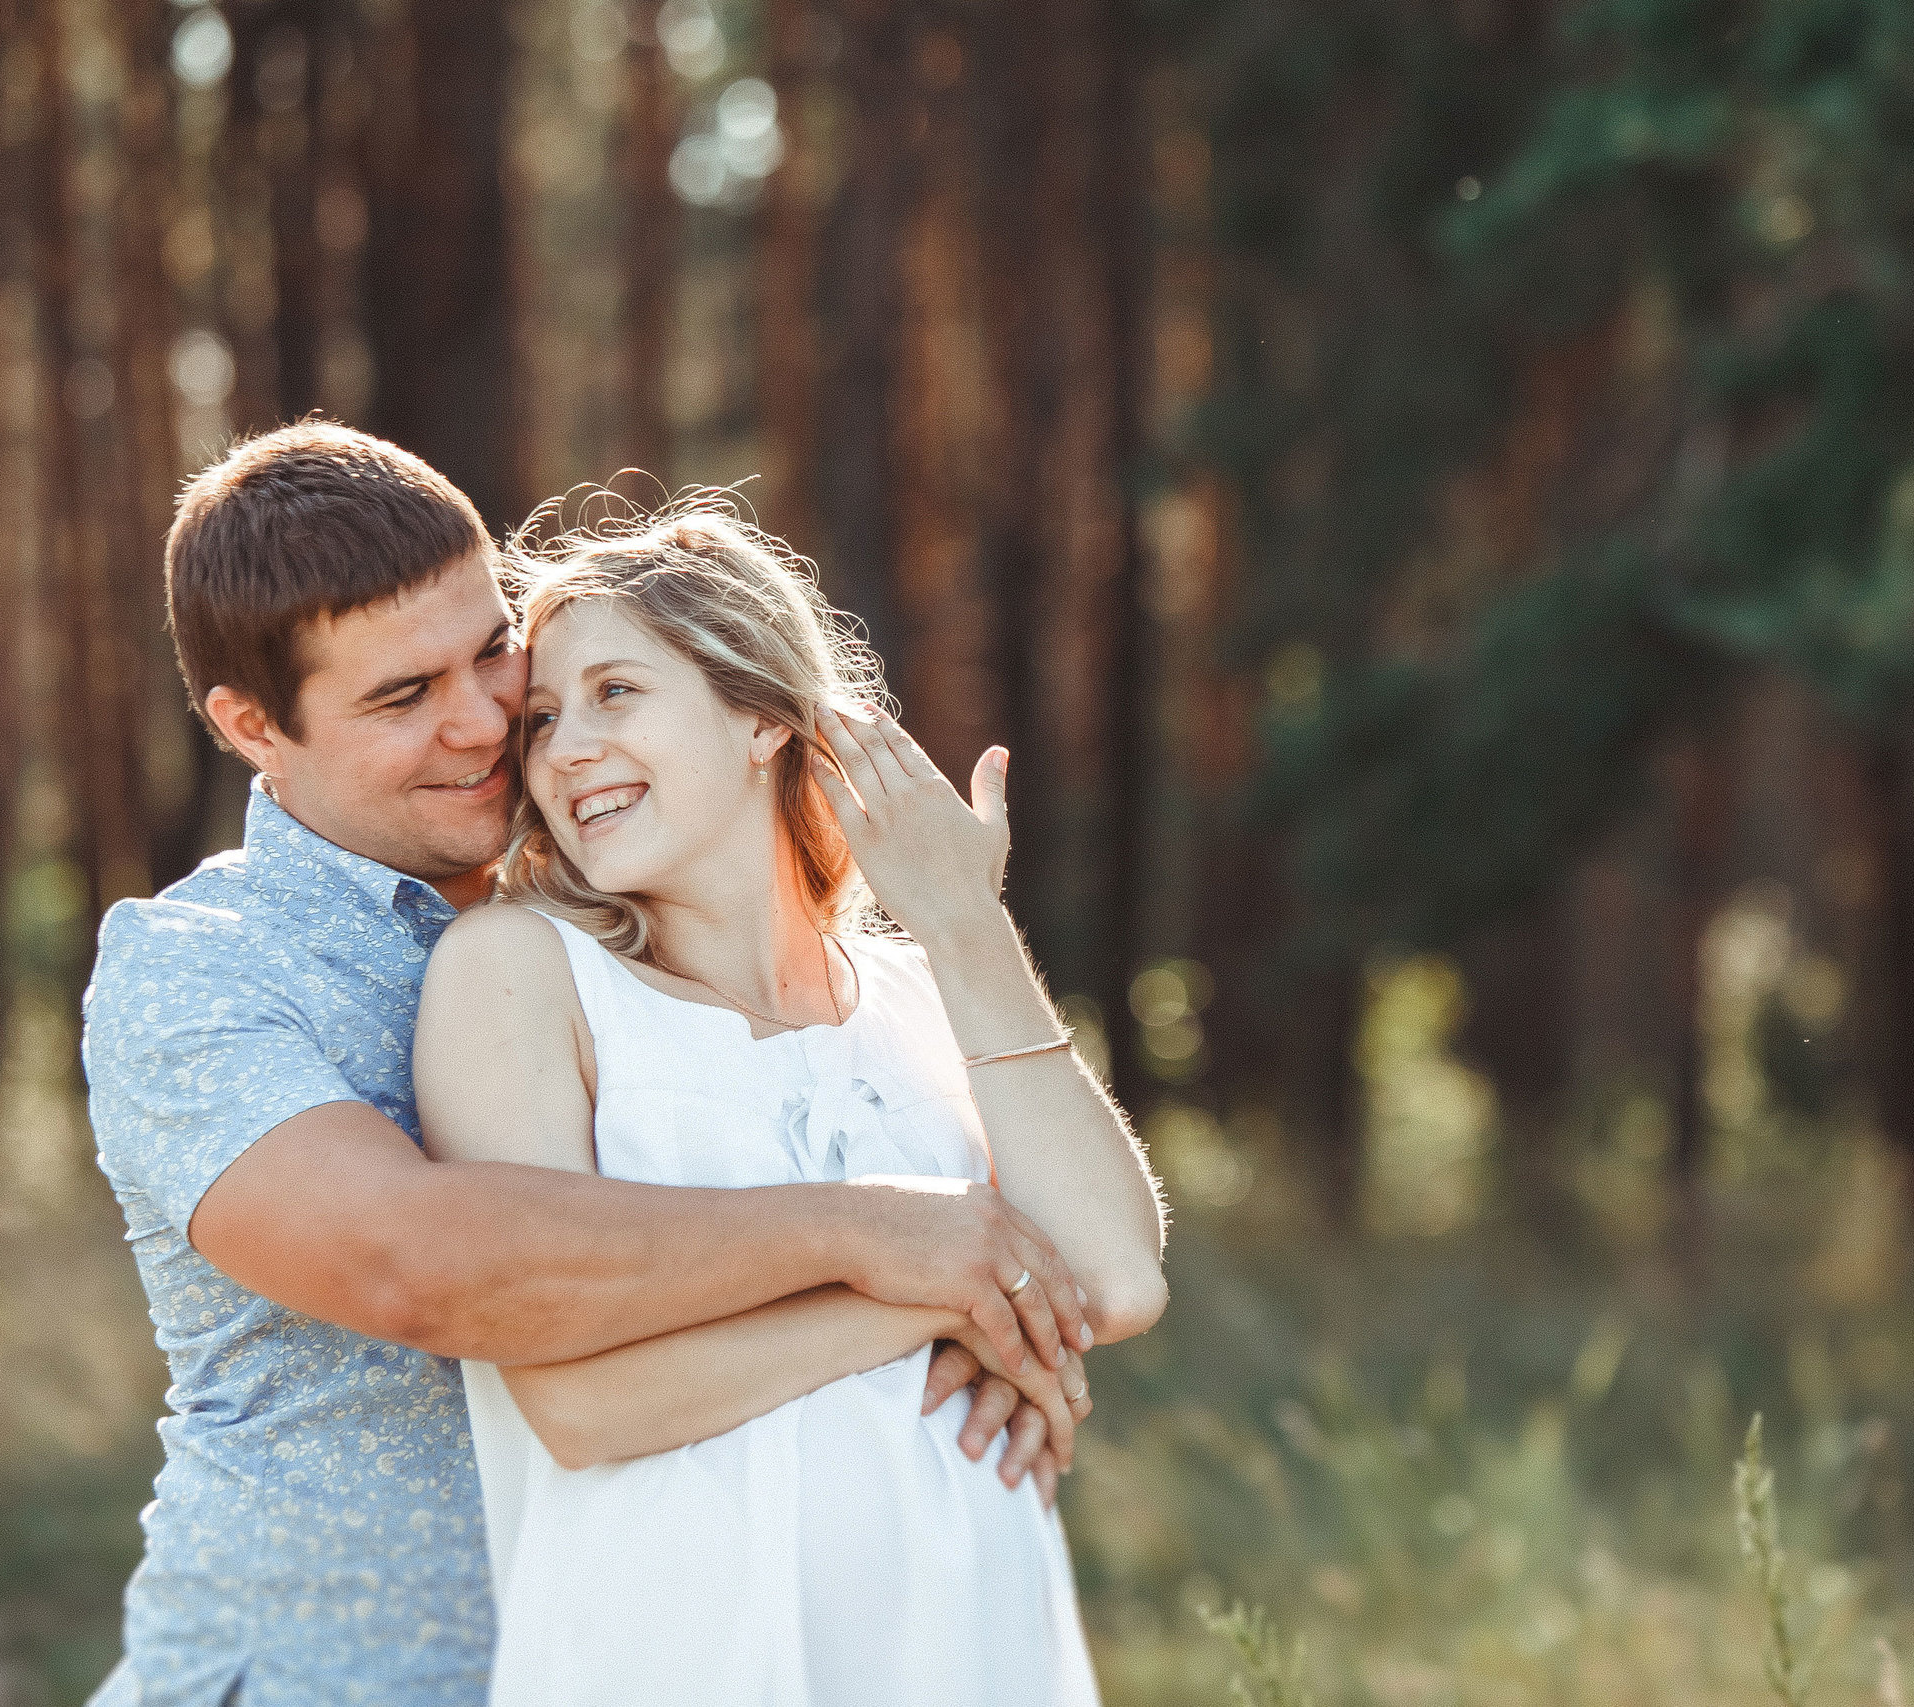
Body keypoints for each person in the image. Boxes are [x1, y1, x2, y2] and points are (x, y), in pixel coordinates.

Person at [81, 423, 1091, 1707]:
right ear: (249, 725)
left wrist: (980, 1320)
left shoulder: (622, 917)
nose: (483, 724)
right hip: (324, 1680)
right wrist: (885, 1242)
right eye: (402, 697)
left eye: (492, 651)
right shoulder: (200, 969)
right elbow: (419, 1266)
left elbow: (1056, 1250)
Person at [413, 503, 1169, 1705]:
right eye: (544, 719)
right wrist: (937, 1300)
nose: (561, 752)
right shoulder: (521, 976)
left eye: (616, 692)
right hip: (680, 1659)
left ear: (764, 714)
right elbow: (578, 1399)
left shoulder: (927, 992)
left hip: (968, 1651)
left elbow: (1117, 1279)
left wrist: (966, 919)